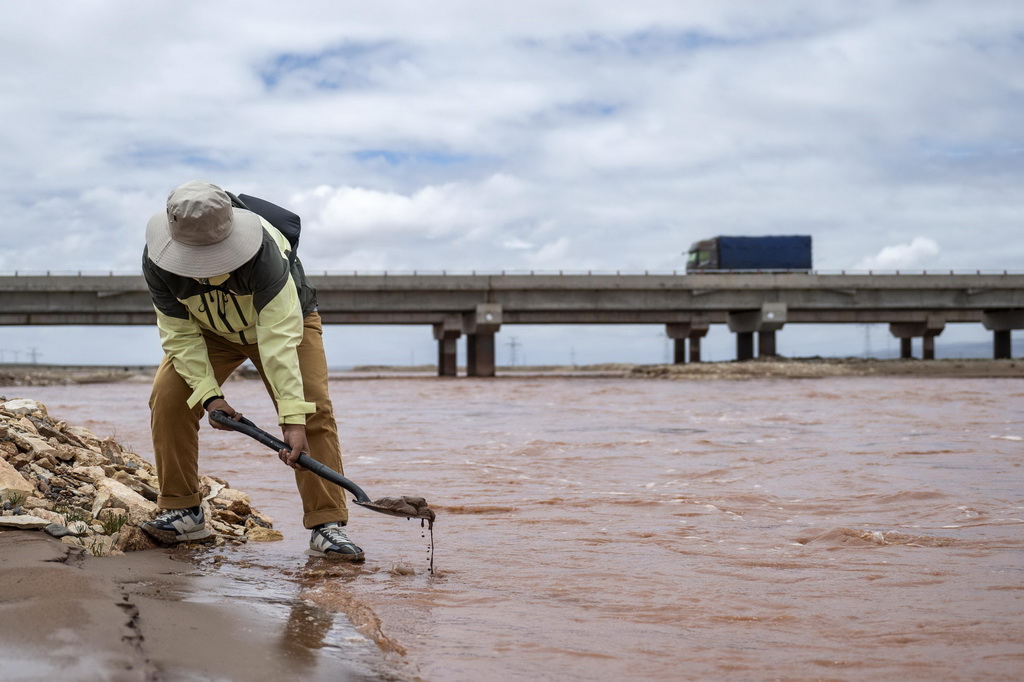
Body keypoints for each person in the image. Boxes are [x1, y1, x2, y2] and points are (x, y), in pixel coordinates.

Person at [139, 180, 363, 561]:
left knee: (311, 407)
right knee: (169, 396)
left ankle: (327, 525)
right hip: (210, 331)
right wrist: (210, 396)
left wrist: (292, 420)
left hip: (283, 324)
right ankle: (184, 511)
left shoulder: (264, 253)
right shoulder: (157, 260)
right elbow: (179, 335)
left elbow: (278, 341)